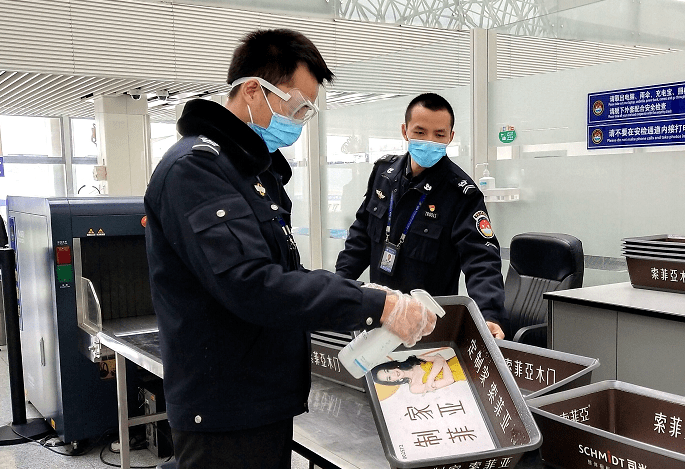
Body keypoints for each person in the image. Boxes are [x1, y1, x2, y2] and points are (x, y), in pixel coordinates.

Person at [144, 29, 437, 469]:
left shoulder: (248, 174)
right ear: (251, 92)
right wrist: (377, 304)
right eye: (296, 105)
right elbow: (253, 286)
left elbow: (282, 272)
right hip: (226, 407)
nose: (300, 120)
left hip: (258, 395)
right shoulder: (198, 170)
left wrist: (358, 300)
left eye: (307, 110)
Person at [335, 93, 507, 339]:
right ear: (405, 131)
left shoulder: (460, 192)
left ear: (450, 137)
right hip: (379, 313)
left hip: (426, 326)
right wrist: (339, 284)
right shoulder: (384, 174)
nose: (429, 141)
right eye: (420, 132)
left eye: (439, 134)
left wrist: (489, 314)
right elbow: (362, 233)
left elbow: (481, 259)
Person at [372, 352, 466, 395]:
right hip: (464, 373)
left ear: (390, 366)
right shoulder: (414, 388)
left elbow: (440, 359)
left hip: (461, 357)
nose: (392, 374)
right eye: (389, 378)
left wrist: (430, 379)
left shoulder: (413, 360)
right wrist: (440, 361)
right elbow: (449, 379)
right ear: (392, 381)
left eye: (387, 370)